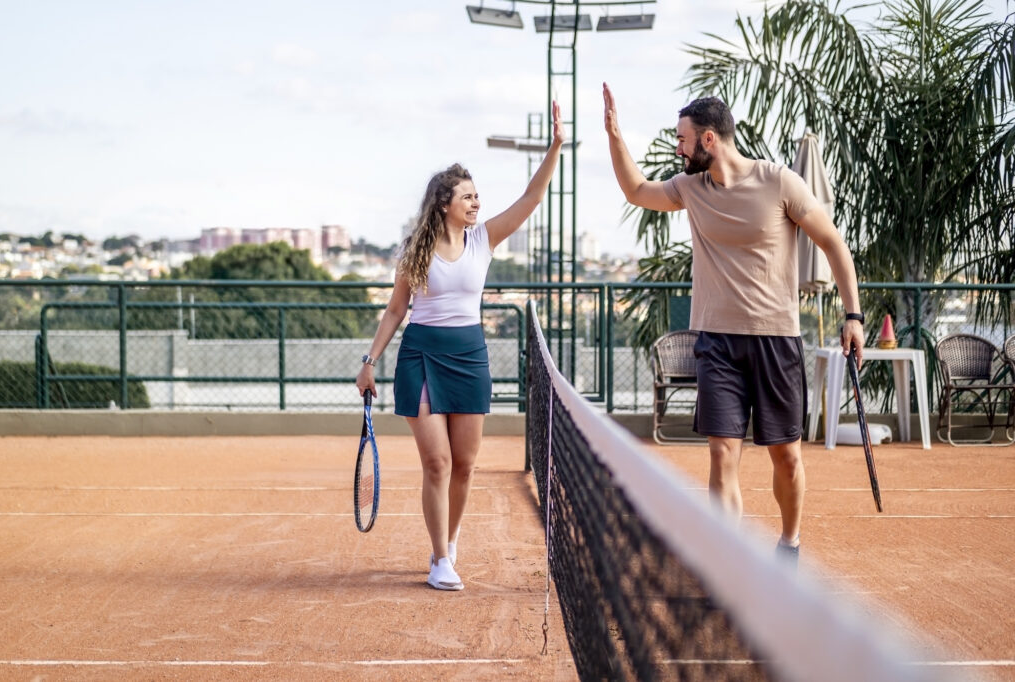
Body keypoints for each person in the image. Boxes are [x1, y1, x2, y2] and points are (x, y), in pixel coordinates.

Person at [602, 83, 865, 564]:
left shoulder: (779, 181)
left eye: (682, 140)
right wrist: (615, 134)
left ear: (707, 141)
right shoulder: (690, 189)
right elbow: (636, 190)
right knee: (723, 453)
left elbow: (833, 243)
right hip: (716, 343)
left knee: (786, 457)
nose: (676, 149)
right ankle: (729, 563)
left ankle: (789, 545)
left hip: (776, 342)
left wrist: (853, 316)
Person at [356, 102, 566, 590]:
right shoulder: (417, 251)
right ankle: (439, 559)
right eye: (467, 197)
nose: (476, 204)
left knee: (466, 466)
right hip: (420, 357)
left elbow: (532, 198)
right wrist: (370, 362)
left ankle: (449, 543)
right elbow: (395, 310)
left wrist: (555, 146)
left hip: (470, 356)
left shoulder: (485, 239)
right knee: (438, 462)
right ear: (444, 203)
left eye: (477, 197)